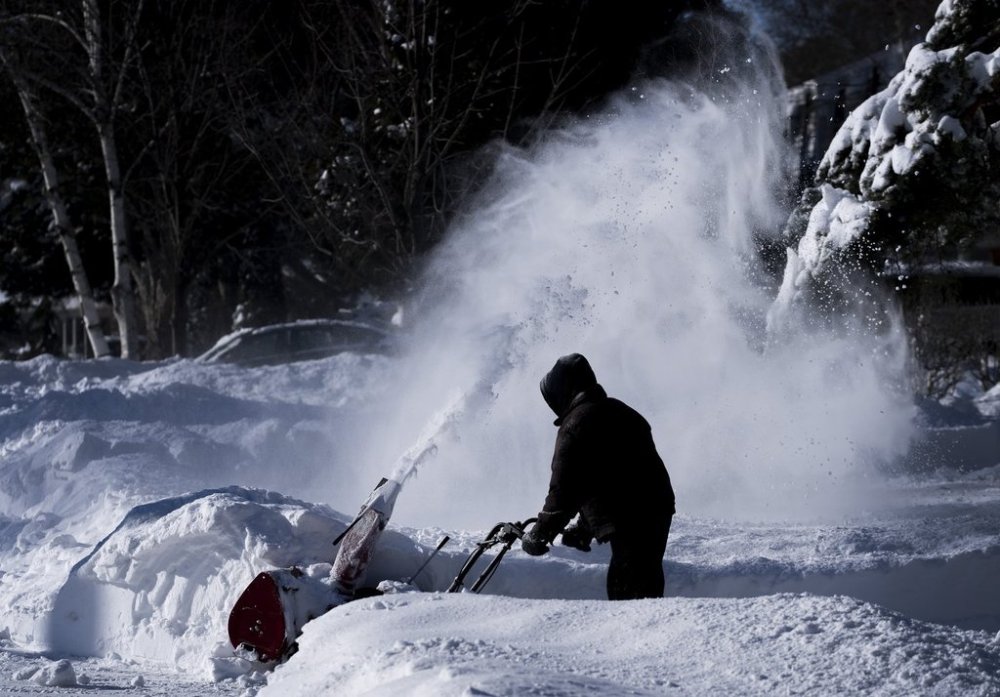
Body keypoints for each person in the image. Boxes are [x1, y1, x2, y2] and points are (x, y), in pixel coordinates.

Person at [520, 353, 675, 600]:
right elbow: (611, 477)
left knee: (629, 592)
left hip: (630, 515)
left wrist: (541, 533)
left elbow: (565, 489)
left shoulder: (575, 424)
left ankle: (639, 634)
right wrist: (585, 528)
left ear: (563, 391)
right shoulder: (622, 411)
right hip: (657, 507)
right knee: (645, 581)